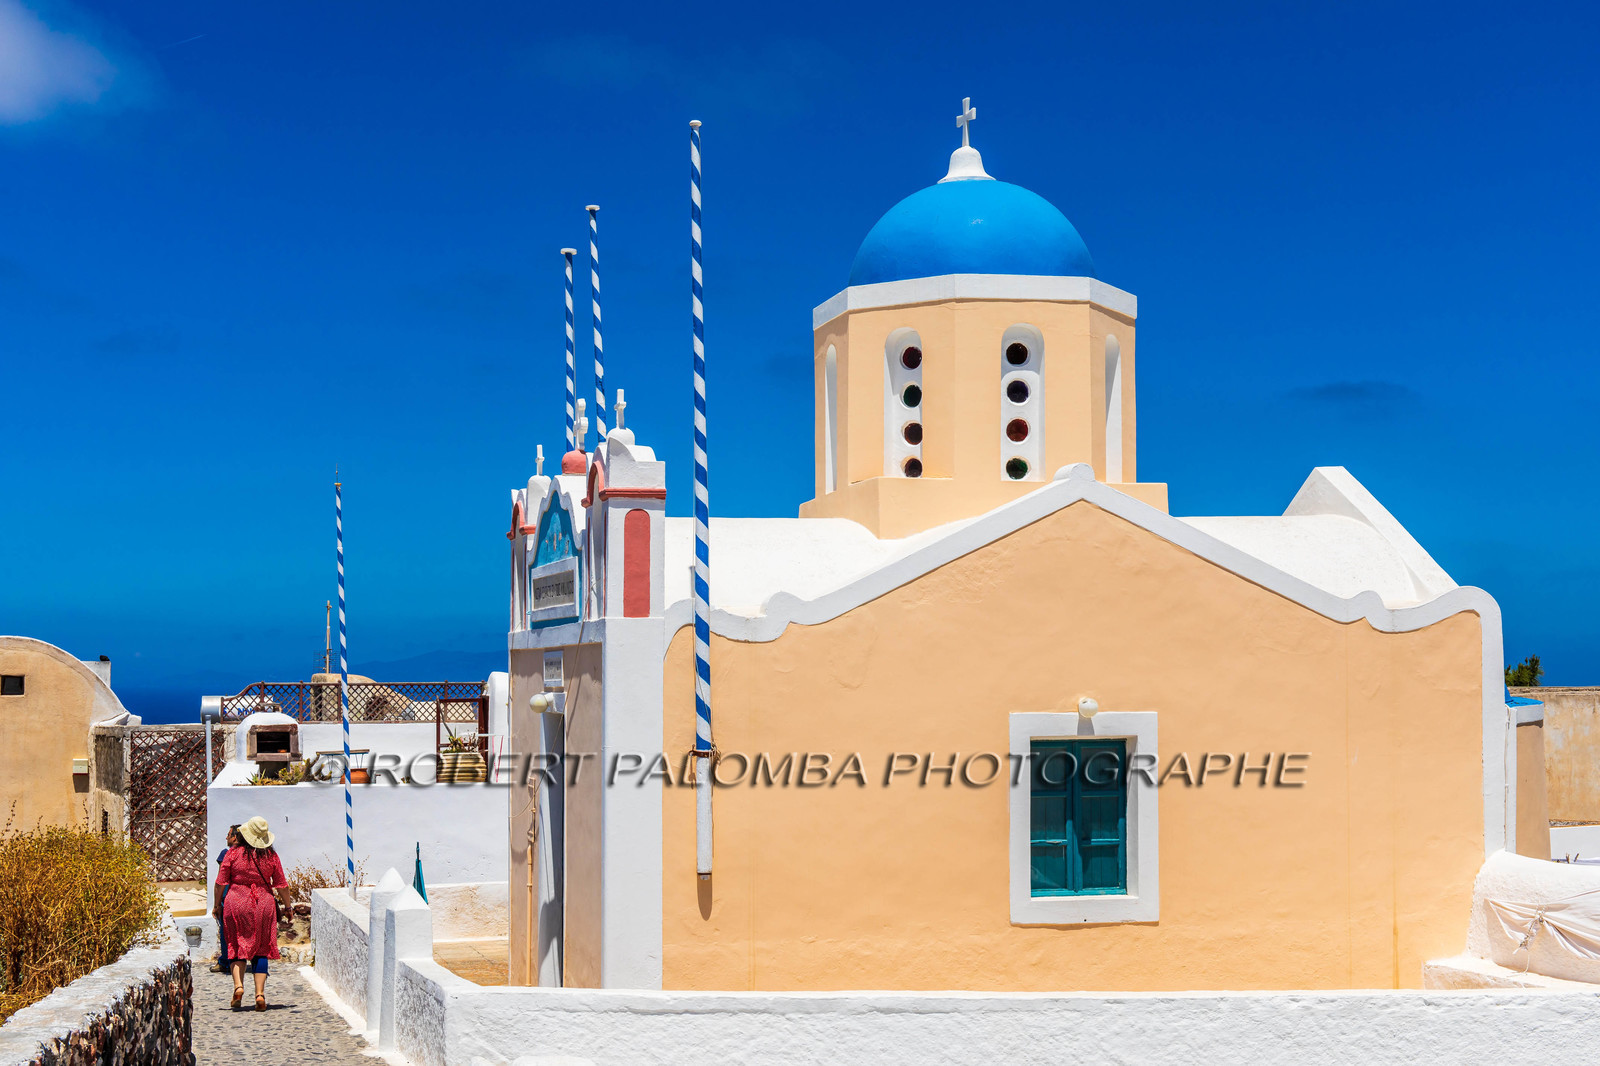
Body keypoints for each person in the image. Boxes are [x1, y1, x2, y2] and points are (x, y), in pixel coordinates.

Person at [213, 816, 291, 1011]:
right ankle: (260, 994)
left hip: (236, 902)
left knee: (236, 945)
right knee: (261, 948)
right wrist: (288, 907)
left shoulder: (233, 854)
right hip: (263, 903)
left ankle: (238, 986)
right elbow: (281, 885)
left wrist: (216, 905)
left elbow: (220, 882)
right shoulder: (271, 856)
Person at [212, 825, 243, 973]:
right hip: (246, 897)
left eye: (228, 834)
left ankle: (226, 961)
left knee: (226, 932)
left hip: (228, 897)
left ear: (235, 837)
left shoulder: (226, 853)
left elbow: (220, 881)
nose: (226, 838)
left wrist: (216, 904)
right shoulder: (252, 853)